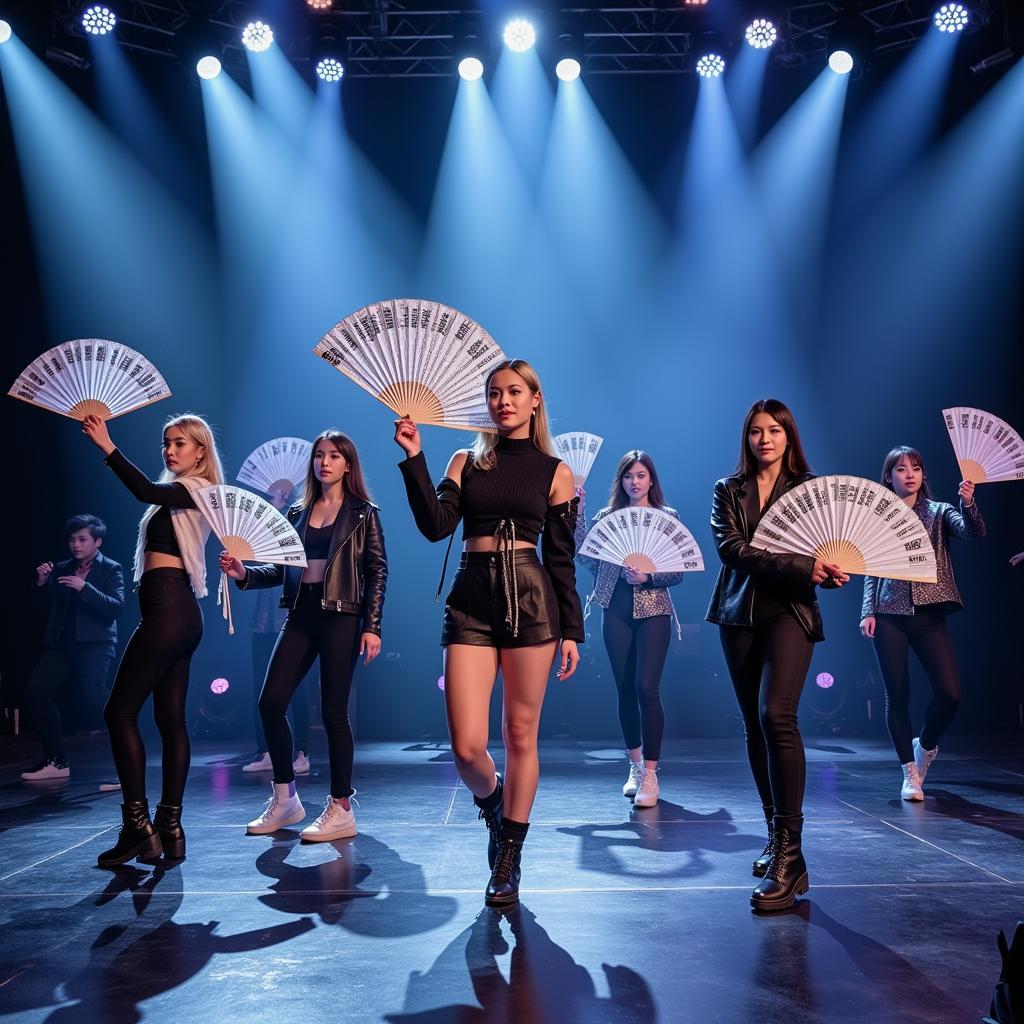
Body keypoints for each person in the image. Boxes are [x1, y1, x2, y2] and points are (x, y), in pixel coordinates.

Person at [394, 358, 584, 908]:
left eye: (514, 392)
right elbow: (435, 527)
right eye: (495, 392)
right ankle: (497, 804)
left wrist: (572, 629)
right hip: (471, 602)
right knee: (466, 747)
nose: (504, 401)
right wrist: (413, 458)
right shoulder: (465, 460)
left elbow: (563, 561)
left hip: (532, 601)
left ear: (534, 401)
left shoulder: (556, 472)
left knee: (522, 736)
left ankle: (509, 857)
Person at [706, 398, 848, 912]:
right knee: (754, 725)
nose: (764, 439)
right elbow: (732, 550)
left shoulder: (813, 490)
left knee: (777, 716)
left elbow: (823, 556)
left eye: (774, 430)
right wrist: (803, 565)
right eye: (755, 432)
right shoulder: (728, 489)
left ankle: (791, 852)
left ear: (789, 436)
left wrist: (825, 569)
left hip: (791, 613)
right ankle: (777, 838)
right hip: (739, 614)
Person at [221, 430, 387, 842]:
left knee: (333, 712)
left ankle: (341, 807)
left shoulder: (364, 513)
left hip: (343, 615)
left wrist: (372, 626)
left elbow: (377, 571)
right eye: (319, 455)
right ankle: (285, 798)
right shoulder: (296, 511)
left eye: (334, 456)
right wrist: (244, 574)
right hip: (300, 613)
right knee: (270, 702)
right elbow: (281, 569)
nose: (324, 462)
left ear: (348, 464)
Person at [82, 412, 224, 866]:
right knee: (169, 720)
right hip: (177, 611)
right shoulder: (182, 492)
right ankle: (170, 829)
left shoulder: (195, 488)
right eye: (166, 442)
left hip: (169, 609)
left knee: (118, 711)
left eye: (180, 443)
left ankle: (137, 826)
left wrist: (108, 447)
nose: (169, 450)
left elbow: (145, 489)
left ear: (201, 451)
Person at [859, 445, 985, 800]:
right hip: (888, 616)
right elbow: (869, 569)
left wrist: (969, 502)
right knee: (897, 695)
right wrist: (867, 611)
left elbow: (975, 533)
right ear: (889, 476)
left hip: (929, 616)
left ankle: (925, 746)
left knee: (950, 694)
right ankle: (909, 774)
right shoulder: (878, 517)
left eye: (915, 467)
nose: (909, 474)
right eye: (901, 469)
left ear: (923, 474)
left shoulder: (940, 512)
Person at [575, 451, 684, 808]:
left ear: (651, 479)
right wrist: (577, 512)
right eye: (628, 476)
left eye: (640, 475)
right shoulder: (606, 518)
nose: (634, 482)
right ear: (620, 481)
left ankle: (652, 773)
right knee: (624, 690)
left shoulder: (667, 518)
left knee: (646, 688)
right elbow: (585, 557)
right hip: (615, 609)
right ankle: (635, 767)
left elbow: (679, 571)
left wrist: (648, 576)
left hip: (654, 611)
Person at [22, 515, 125, 781]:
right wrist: (41, 583)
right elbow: (38, 610)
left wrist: (85, 588)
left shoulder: (111, 569)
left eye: (82, 539)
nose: (76, 545)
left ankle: (126, 764)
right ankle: (56, 760)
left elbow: (116, 607)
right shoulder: (61, 568)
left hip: (96, 644)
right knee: (37, 690)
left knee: (96, 699)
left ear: (97, 542)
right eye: (71, 540)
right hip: (63, 645)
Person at [241, 486, 312, 779]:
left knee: (296, 688)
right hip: (262, 618)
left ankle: (302, 751)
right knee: (263, 687)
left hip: (292, 613)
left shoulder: (300, 519)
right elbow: (256, 546)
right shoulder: (267, 523)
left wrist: (282, 509)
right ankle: (266, 751)